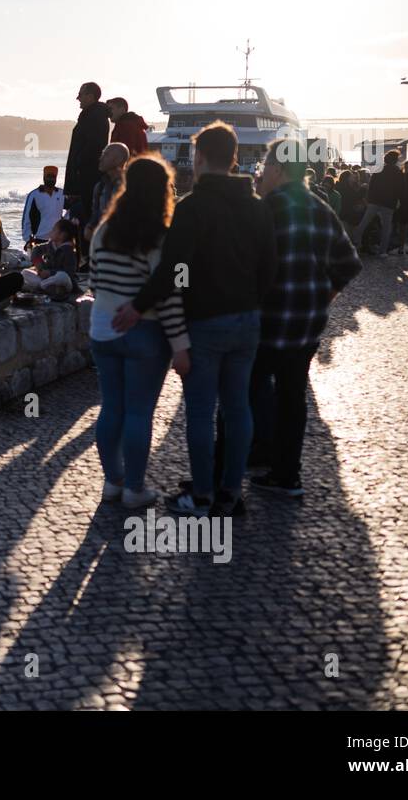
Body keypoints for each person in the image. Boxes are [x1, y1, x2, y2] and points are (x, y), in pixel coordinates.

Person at [111, 121, 277, 518]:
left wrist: (137, 306)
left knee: (201, 412)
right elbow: (270, 267)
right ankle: (231, 494)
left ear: (199, 157)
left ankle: (202, 496)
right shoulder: (257, 207)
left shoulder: (192, 208)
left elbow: (172, 269)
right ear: (234, 157)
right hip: (247, 322)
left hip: (204, 323)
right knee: (238, 410)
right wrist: (251, 303)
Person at [249, 140, 361, 497]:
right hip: (305, 326)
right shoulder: (320, 207)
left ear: (278, 170)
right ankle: (287, 474)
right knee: (292, 396)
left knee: (246, 389)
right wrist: (320, 298)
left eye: (264, 165)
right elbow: (348, 264)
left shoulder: (263, 210)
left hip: (266, 323)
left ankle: (249, 457)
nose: (260, 172)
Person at [89, 155, 190, 509]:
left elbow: (94, 280)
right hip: (145, 333)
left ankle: (111, 483)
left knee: (111, 409)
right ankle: (134, 488)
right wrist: (180, 346)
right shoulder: (158, 237)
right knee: (138, 413)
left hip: (102, 331)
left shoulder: (103, 230)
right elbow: (169, 295)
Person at [62, 81, 110, 226]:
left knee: (84, 224)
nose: (78, 98)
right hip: (83, 180)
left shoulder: (95, 117)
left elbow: (91, 149)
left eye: (80, 94)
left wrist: (77, 176)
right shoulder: (90, 116)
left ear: (90, 96)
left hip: (85, 181)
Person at [355, 150, 403, 255]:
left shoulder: (378, 170)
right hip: (389, 203)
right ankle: (382, 252)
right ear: (395, 160)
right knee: (386, 228)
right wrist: (398, 200)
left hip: (375, 201)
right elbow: (400, 188)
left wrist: (369, 200)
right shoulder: (398, 172)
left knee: (363, 224)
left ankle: (355, 244)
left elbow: (371, 186)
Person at [82, 143, 131, 244]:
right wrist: (90, 226)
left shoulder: (130, 186)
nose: (101, 158)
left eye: (106, 155)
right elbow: (95, 213)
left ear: (119, 160)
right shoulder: (100, 187)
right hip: (102, 242)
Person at [22, 219, 79, 296]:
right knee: (25, 272)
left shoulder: (69, 251)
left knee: (62, 276)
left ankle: (43, 286)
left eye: (54, 230)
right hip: (47, 279)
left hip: (64, 282)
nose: (51, 232)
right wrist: (39, 266)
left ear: (62, 235)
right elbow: (36, 249)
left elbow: (69, 272)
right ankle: (48, 287)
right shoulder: (50, 245)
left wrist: (50, 273)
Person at [20, 165, 66, 246]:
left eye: (53, 176)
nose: (51, 179)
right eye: (48, 176)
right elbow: (26, 218)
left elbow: (71, 210)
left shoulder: (61, 194)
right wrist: (28, 240)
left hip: (58, 239)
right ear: (44, 177)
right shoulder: (34, 195)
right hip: (38, 239)